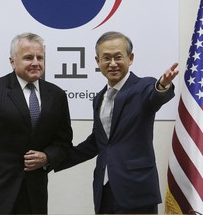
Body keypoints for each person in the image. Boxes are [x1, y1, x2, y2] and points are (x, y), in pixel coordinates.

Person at [55, 31, 179, 214]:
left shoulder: (144, 87)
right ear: (97, 61)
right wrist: (52, 160)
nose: (112, 63)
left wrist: (162, 85)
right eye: (106, 58)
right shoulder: (99, 99)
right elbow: (97, 143)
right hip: (104, 189)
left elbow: (156, 96)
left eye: (118, 57)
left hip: (137, 191)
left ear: (130, 58)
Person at [0, 32, 73, 215]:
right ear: (13, 61)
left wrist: (47, 157)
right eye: (28, 57)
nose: (36, 63)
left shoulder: (57, 95)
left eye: (40, 57)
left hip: (33, 196)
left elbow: (63, 142)